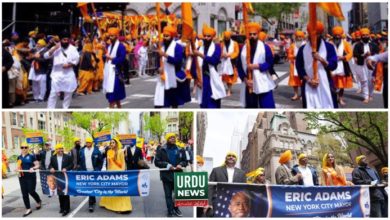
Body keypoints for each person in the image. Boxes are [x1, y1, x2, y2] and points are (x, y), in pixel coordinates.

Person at [296, 21, 338, 109]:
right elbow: (299, 67)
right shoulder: (302, 49)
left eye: (317, 34)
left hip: (326, 83)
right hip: (308, 84)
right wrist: (309, 80)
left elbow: (333, 65)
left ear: (321, 33)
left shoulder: (329, 47)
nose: (314, 37)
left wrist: (321, 59)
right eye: (312, 34)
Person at [237, 22, 276, 108]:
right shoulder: (243, 49)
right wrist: (245, 79)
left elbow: (270, 63)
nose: (252, 36)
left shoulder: (265, 48)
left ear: (258, 34)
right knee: (251, 107)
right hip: (249, 84)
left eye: (254, 34)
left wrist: (257, 66)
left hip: (263, 81)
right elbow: (239, 66)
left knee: (267, 106)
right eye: (250, 34)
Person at [193, 24, 226, 108]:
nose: (206, 38)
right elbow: (195, 65)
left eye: (208, 36)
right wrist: (197, 79)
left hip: (212, 78)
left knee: (213, 104)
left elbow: (214, 60)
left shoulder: (217, 47)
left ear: (212, 37)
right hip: (202, 79)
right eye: (205, 36)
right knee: (203, 104)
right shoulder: (199, 48)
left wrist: (201, 55)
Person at [154, 133, 188, 217]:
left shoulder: (181, 149)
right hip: (166, 176)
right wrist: (167, 165)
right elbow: (156, 162)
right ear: (167, 139)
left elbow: (185, 161)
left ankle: (176, 208)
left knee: (177, 194)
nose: (173, 139)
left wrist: (181, 164)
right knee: (168, 195)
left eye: (174, 137)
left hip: (178, 176)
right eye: (171, 137)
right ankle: (170, 211)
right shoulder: (162, 149)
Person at [44, 30, 79, 108]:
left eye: (67, 40)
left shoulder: (73, 49)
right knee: (53, 92)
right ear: (60, 40)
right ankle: (50, 109)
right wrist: (54, 49)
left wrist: (69, 65)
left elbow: (76, 60)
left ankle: (65, 108)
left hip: (68, 73)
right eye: (64, 40)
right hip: (57, 73)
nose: (66, 41)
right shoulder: (56, 48)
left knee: (68, 92)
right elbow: (45, 56)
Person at [154, 25, 186, 108]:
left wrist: (165, 55)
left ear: (171, 36)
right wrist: (158, 68)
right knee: (159, 102)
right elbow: (159, 60)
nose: (165, 37)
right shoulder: (162, 46)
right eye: (164, 35)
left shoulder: (178, 47)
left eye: (167, 36)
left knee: (174, 103)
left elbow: (178, 61)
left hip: (173, 77)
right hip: (163, 78)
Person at [206, 151, 246, 216]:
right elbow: (210, 187)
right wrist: (209, 203)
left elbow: (243, 190)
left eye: (233, 156)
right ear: (226, 158)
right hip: (218, 201)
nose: (231, 157)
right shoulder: (216, 170)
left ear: (236, 160)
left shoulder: (242, 173)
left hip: (235, 203)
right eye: (229, 156)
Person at [100, 138, 132, 213]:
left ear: (116, 143)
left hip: (119, 172)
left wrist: (122, 172)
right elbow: (108, 163)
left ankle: (123, 207)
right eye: (111, 143)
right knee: (111, 189)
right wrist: (107, 171)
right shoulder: (108, 152)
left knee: (120, 190)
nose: (111, 144)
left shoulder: (120, 151)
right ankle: (109, 204)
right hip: (111, 172)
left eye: (113, 142)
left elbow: (123, 163)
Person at [353, 28, 379, 103]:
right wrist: (363, 55)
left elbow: (377, 53)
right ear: (361, 36)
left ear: (369, 35)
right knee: (364, 81)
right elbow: (355, 54)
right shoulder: (358, 45)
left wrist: (371, 54)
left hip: (372, 64)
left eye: (366, 35)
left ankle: (370, 95)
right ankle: (366, 97)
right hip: (362, 64)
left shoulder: (374, 45)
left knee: (371, 80)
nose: (365, 36)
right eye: (363, 35)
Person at [16, 142, 42, 217]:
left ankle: (38, 201)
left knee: (31, 191)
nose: (24, 149)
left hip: (31, 177)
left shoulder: (31, 156)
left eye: (25, 147)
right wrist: (17, 169)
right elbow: (18, 166)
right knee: (24, 193)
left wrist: (33, 168)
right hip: (22, 177)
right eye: (22, 147)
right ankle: (28, 208)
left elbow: (37, 165)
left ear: (28, 148)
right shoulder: (19, 157)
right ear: (20, 148)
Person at [103, 27, 127, 108]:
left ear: (117, 36)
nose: (110, 37)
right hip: (109, 73)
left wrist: (112, 59)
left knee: (113, 97)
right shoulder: (109, 46)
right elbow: (107, 57)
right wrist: (105, 57)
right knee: (115, 98)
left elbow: (122, 58)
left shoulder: (120, 46)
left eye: (112, 36)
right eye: (110, 36)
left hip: (116, 73)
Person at [330, 26, 353, 106]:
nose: (337, 36)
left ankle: (340, 99)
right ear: (333, 35)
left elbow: (350, 53)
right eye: (336, 35)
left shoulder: (345, 44)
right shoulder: (329, 43)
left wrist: (344, 57)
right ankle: (332, 98)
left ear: (341, 35)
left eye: (339, 35)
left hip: (342, 66)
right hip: (331, 66)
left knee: (341, 85)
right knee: (332, 84)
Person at [79, 137, 103, 212]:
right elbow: (80, 161)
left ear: (92, 143)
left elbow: (100, 161)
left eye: (89, 142)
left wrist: (98, 169)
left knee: (91, 186)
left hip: (94, 171)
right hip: (85, 171)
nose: (88, 144)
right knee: (89, 187)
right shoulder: (82, 151)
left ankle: (90, 205)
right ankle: (93, 199)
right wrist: (81, 169)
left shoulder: (96, 151)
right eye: (87, 142)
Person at [49, 143, 73, 216]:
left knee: (65, 193)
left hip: (65, 176)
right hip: (57, 177)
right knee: (59, 193)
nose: (61, 150)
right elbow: (50, 165)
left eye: (62, 148)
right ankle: (62, 207)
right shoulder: (52, 157)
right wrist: (51, 168)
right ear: (56, 150)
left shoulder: (68, 157)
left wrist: (66, 168)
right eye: (59, 148)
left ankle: (66, 209)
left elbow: (71, 165)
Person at [221, 31, 239, 96]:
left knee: (230, 76)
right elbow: (220, 52)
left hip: (232, 62)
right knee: (226, 77)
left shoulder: (234, 43)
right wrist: (223, 55)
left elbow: (236, 52)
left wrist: (229, 55)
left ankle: (229, 90)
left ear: (229, 37)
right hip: (224, 62)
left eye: (227, 37)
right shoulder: (222, 44)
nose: (226, 39)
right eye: (225, 37)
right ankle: (228, 88)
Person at [287, 31, 305, 101]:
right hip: (294, 64)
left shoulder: (305, 44)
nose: (299, 38)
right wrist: (294, 56)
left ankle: (303, 94)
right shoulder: (292, 45)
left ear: (302, 37)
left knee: (304, 80)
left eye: (300, 37)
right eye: (297, 37)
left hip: (303, 65)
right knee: (295, 81)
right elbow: (289, 55)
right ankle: (296, 94)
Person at [2, 43, 13, 108]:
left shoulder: (4, 52)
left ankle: (5, 104)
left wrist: (5, 67)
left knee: (4, 90)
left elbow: (10, 61)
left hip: (2, 74)